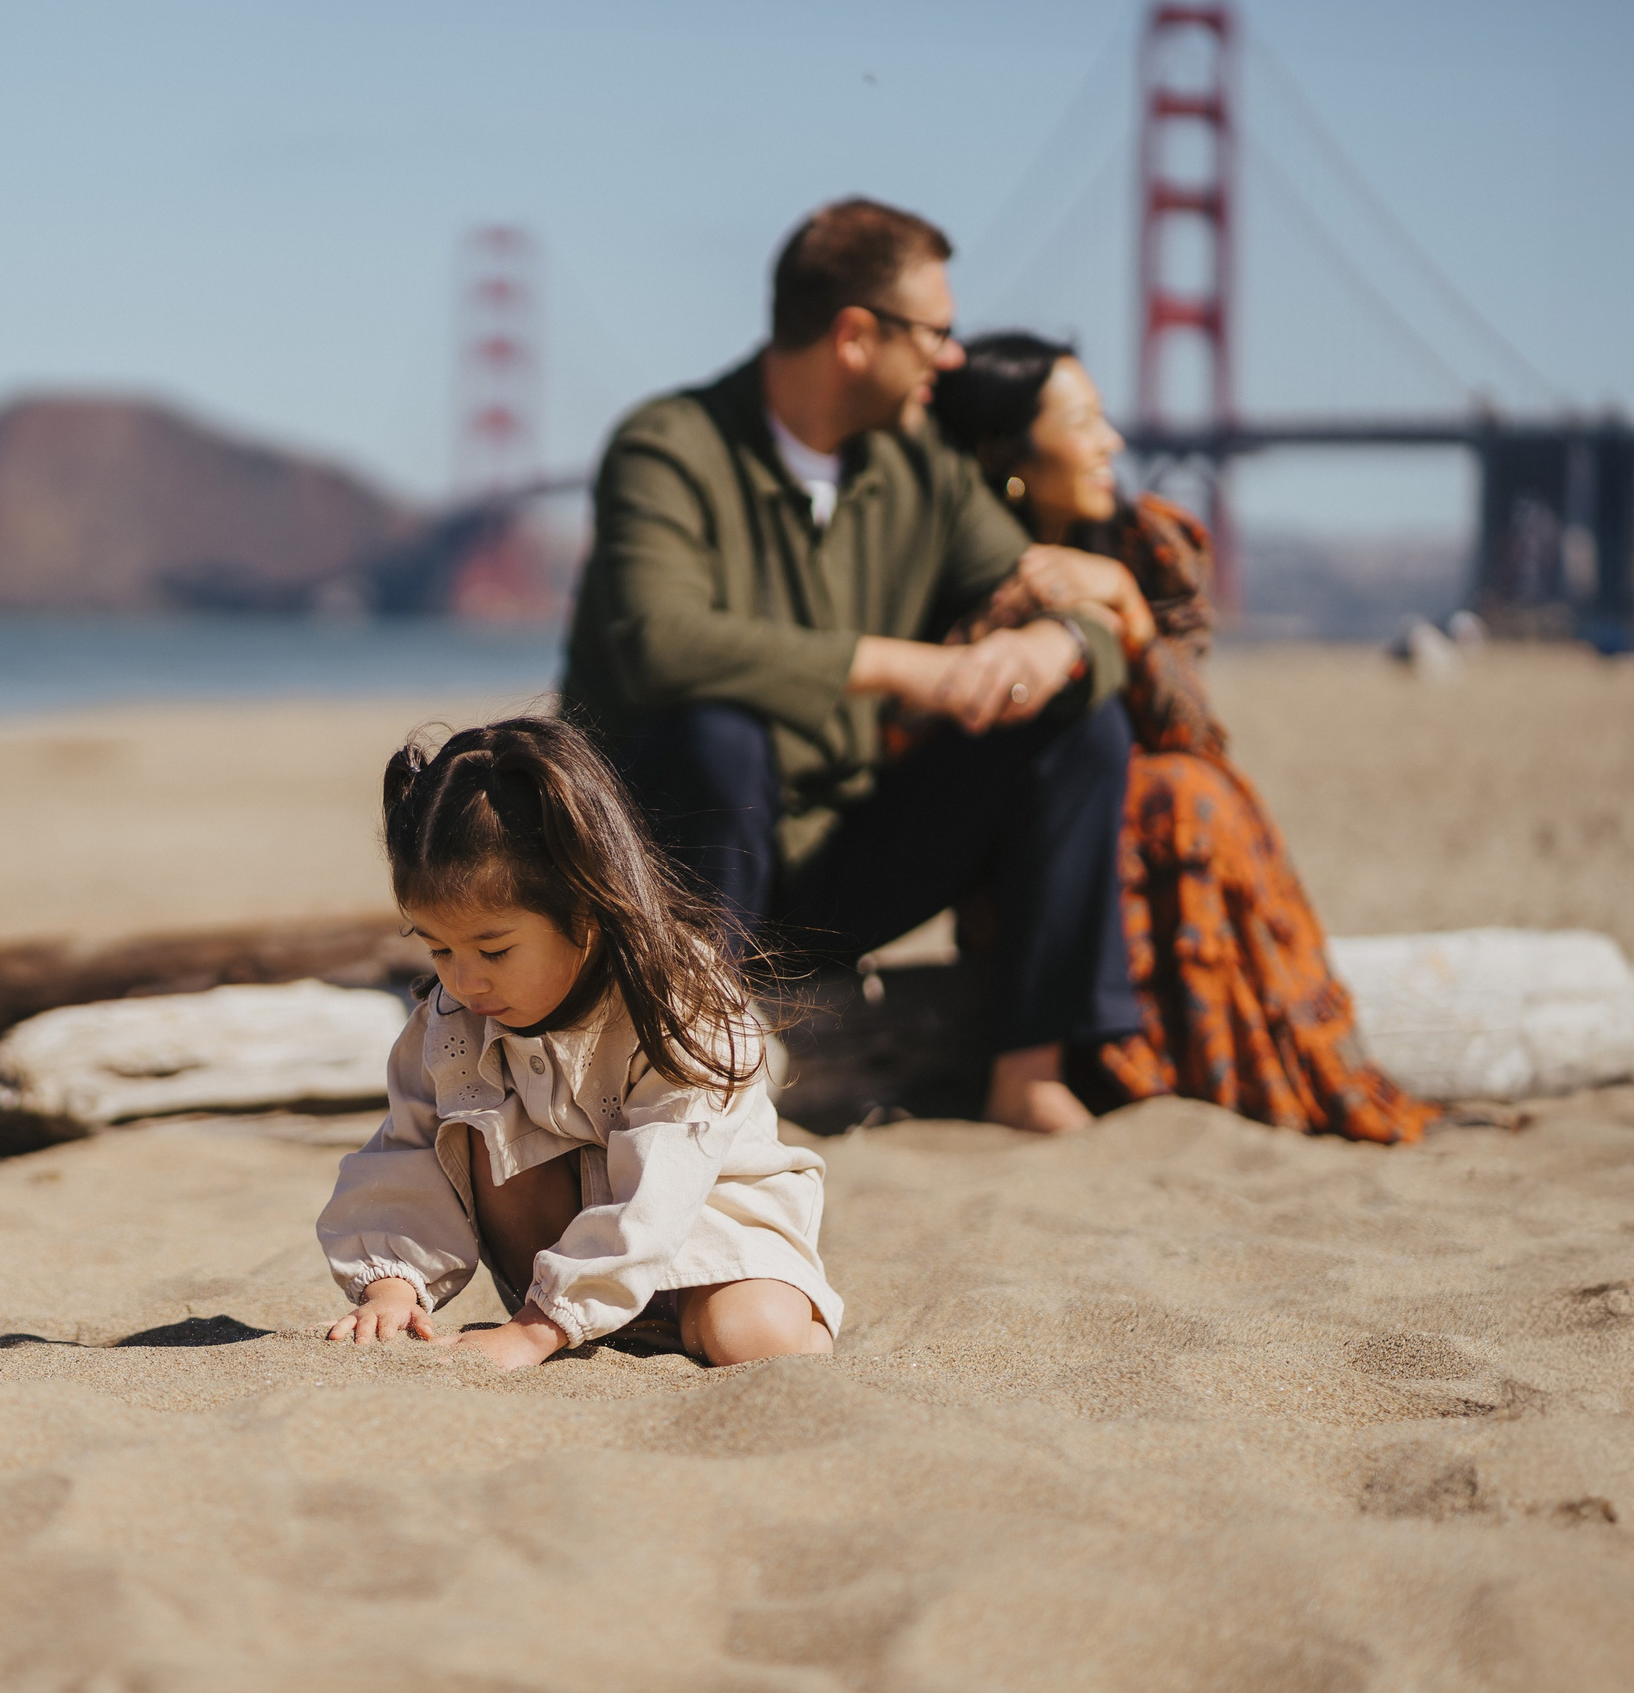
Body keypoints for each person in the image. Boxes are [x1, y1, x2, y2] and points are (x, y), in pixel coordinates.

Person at [559, 197, 1140, 1135]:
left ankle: (1028, 1072)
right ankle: (685, 1071)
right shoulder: (666, 447)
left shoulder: (922, 467)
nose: (950, 359)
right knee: (721, 733)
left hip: (830, 865)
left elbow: (1069, 612)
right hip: (665, 870)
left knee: (1078, 718)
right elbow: (659, 641)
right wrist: (914, 669)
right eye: (935, 334)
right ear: (856, 336)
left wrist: (1054, 641)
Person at [929, 333, 1439, 1143]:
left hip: (1151, 830)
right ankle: (1127, 1064)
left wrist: (1126, 609)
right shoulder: (945, 556)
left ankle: (1218, 1071)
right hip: (1020, 847)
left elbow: (1191, 732)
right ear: (1005, 451)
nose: (1114, 442)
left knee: (1190, 789)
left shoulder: (1147, 547)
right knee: (1172, 793)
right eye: (1086, 422)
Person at [316, 717, 842, 1369]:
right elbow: (409, 1146)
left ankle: (778, 1321)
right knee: (470, 1113)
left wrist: (535, 1332)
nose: (464, 976)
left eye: (494, 948)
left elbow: (663, 1190)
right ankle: (580, 1312)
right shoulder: (457, 1013)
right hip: (558, 1250)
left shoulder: (677, 999)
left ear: (586, 908)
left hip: (706, 1218)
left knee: (751, 1338)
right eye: (438, 947)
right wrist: (393, 1281)